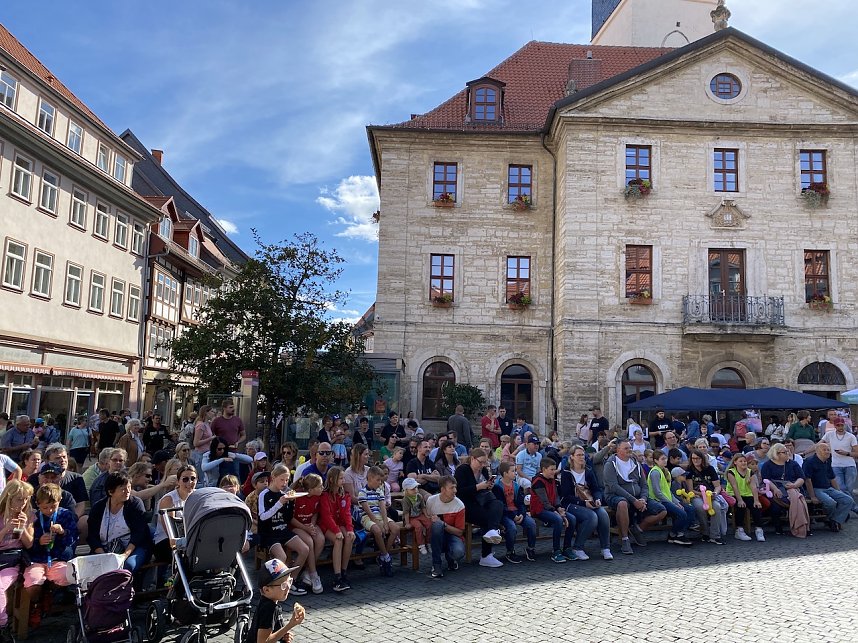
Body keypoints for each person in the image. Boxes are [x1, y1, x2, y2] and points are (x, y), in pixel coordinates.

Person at [23, 483, 78, 629]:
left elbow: (72, 539)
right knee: (32, 583)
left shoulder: (65, 515)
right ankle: (36, 604)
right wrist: (38, 541)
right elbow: (26, 544)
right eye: (45, 507)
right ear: (38, 504)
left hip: (57, 558)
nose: (49, 510)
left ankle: (49, 592)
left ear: (59, 501)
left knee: (67, 576)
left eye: (53, 506)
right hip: (37, 559)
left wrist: (63, 532)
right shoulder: (33, 517)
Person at [603, 440, 667, 555]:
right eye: (626, 448)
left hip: (638, 496)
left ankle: (637, 530)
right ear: (618, 450)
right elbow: (613, 486)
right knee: (622, 504)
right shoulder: (610, 464)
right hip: (616, 496)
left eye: (630, 447)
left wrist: (643, 499)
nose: (629, 450)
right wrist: (634, 500)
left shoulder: (635, 462)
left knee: (662, 511)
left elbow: (644, 484)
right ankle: (625, 539)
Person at [257, 464, 308, 597]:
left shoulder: (283, 493)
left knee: (304, 549)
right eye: (282, 480)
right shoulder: (265, 494)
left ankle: (291, 580)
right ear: (273, 478)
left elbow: (287, 518)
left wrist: (290, 502)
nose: (284, 483)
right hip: (269, 533)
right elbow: (263, 517)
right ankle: (278, 585)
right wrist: (280, 503)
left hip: (282, 529)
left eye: (287, 480)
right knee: (282, 557)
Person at [87, 471, 151, 573]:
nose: (127, 491)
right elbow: (92, 536)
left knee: (127, 566)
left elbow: (139, 533)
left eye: (129, 487)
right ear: (111, 491)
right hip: (104, 549)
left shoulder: (135, 504)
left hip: (132, 548)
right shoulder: (98, 508)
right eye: (123, 489)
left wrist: (124, 555)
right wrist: (103, 555)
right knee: (92, 566)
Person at [558, 445, 613, 560]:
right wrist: (584, 503)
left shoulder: (588, 470)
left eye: (583, 455)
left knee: (603, 514)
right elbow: (566, 496)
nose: (581, 457)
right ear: (572, 457)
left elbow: (596, 489)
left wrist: (597, 499)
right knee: (592, 517)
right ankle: (578, 547)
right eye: (578, 455)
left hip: (589, 501)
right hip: (571, 504)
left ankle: (605, 548)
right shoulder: (566, 472)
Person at [453, 448, 504, 568]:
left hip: (482, 500)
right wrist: (478, 487)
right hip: (466, 504)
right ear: (472, 459)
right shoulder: (462, 470)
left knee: (498, 504)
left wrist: (488, 486)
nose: (482, 465)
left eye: (484, 462)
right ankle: (486, 554)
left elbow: (484, 489)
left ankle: (493, 531)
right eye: (480, 462)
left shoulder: (484, 471)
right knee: (487, 518)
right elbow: (459, 491)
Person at [0, 480, 34, 640]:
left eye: (26, 499)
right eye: (19, 499)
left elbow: (29, 544)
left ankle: (3, 626)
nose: (23, 503)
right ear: (9, 498)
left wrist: (22, 528)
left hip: (12, 558)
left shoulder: (28, 515)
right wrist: (5, 529)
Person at [153, 463, 197, 573]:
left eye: (193, 478)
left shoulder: (198, 496)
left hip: (189, 539)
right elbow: (170, 530)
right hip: (166, 541)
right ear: (178, 481)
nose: (190, 482)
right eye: (185, 479)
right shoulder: (168, 500)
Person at [529, 457, 575, 563]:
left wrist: (559, 507)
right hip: (539, 510)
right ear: (544, 469)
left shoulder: (552, 479)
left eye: (555, 469)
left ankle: (567, 548)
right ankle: (556, 550)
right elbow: (544, 502)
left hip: (552, 508)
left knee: (572, 519)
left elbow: (556, 496)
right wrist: (558, 513)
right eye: (552, 469)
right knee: (558, 520)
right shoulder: (538, 481)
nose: (554, 472)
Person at [318, 466, 355, 592]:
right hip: (327, 525)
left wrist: (350, 529)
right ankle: (337, 576)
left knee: (349, 537)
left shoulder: (344, 494)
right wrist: (337, 531)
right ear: (333, 479)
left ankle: (344, 572)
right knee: (338, 540)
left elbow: (346, 513)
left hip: (339, 524)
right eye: (341, 478)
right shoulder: (324, 495)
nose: (343, 481)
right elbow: (326, 516)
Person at [357, 466, 400, 577]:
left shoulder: (379, 491)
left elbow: (383, 508)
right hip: (367, 517)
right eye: (378, 480)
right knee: (377, 530)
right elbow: (368, 512)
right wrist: (378, 523)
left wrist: (385, 522)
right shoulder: (362, 493)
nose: (380, 482)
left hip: (380, 515)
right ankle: (386, 556)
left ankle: (384, 554)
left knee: (395, 528)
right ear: (370, 478)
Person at [252, 559, 306, 643]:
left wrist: (283, 635)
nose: (288, 587)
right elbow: (263, 641)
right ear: (266, 590)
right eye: (283, 585)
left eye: (289, 581)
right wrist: (290, 625)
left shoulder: (269, 604)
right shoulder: (269, 609)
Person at [491, 461, 535, 564]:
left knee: (531, 524)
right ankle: (510, 551)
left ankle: (530, 548)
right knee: (512, 528)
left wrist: (521, 514)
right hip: (504, 514)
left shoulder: (516, 485)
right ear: (505, 473)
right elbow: (501, 505)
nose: (515, 473)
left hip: (516, 512)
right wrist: (513, 516)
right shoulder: (497, 486)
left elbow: (521, 502)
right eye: (513, 471)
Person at [646, 451, 694, 546]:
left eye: (665, 458)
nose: (665, 461)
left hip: (667, 499)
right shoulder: (655, 472)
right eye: (662, 459)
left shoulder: (665, 471)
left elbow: (667, 490)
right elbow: (657, 492)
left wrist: (676, 502)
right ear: (656, 460)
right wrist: (672, 503)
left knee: (690, 509)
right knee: (682, 513)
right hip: (658, 500)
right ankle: (676, 534)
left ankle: (677, 533)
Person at [760, 443, 809, 537]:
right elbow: (766, 479)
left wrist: (794, 485)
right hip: (774, 488)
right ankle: (778, 527)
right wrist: (775, 489)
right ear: (777, 454)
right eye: (785, 452)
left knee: (800, 502)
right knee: (775, 506)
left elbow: (801, 477)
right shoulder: (768, 465)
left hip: (793, 488)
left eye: (787, 451)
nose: (788, 453)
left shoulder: (793, 464)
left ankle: (803, 526)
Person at [803, 442, 852, 531]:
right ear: (817, 451)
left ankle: (835, 520)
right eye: (824, 450)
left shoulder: (827, 461)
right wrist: (812, 496)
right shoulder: (809, 462)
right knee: (831, 503)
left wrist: (839, 491)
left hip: (828, 488)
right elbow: (807, 480)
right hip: (816, 489)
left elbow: (832, 478)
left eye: (828, 450)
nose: (827, 452)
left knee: (848, 500)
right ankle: (829, 519)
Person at [290, 474, 325, 594]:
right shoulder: (297, 497)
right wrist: (305, 528)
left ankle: (307, 571)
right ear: (310, 490)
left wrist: (312, 524)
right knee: (309, 541)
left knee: (320, 539)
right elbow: (290, 518)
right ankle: (314, 574)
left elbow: (315, 513)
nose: (322, 488)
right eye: (320, 486)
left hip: (309, 524)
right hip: (296, 526)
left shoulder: (317, 497)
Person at [685, 449, 729, 545]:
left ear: (702, 459)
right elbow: (690, 489)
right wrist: (703, 494)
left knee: (716, 507)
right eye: (693, 458)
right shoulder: (689, 470)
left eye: (697, 458)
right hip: (697, 495)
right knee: (700, 507)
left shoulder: (710, 469)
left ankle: (715, 535)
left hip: (710, 495)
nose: (695, 460)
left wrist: (715, 493)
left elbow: (717, 486)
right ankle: (705, 532)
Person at [426, 476, 466, 578]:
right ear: (443, 489)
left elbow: (459, 532)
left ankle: (450, 558)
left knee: (459, 552)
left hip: (453, 535)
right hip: (436, 535)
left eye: (455, 487)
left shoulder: (459, 505)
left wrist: (443, 524)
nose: (455, 491)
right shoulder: (431, 501)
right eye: (451, 488)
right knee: (437, 526)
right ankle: (436, 564)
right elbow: (428, 522)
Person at [820, 417, 858, 512]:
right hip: (836, 465)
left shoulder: (851, 436)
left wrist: (847, 453)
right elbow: (819, 444)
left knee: (849, 489)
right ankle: (854, 508)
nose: (840, 427)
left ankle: (848, 508)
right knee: (841, 488)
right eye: (838, 425)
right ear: (835, 426)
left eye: (842, 425)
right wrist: (806, 452)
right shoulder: (829, 435)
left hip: (849, 465)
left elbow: (856, 453)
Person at [725, 453, 765, 541]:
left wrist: (756, 500)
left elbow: (753, 486)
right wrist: (739, 500)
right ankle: (739, 530)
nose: (743, 463)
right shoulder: (731, 472)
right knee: (740, 506)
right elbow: (734, 486)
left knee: (756, 507)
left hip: (747, 494)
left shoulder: (749, 472)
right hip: (734, 494)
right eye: (740, 461)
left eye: (744, 461)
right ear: (735, 462)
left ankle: (759, 529)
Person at [210, 400, 246, 477]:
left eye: (233, 407)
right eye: (230, 407)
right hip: (220, 452)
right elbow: (211, 436)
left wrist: (238, 442)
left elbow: (243, 435)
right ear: (224, 408)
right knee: (220, 474)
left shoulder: (237, 420)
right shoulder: (217, 421)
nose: (233, 409)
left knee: (235, 473)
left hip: (233, 451)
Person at [401, 477, 431, 556]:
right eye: (412, 489)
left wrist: (427, 515)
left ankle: (428, 541)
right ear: (406, 490)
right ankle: (421, 544)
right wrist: (407, 523)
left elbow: (423, 507)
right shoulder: (405, 499)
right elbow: (406, 512)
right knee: (418, 526)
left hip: (419, 514)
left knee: (429, 523)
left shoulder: (419, 496)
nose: (415, 490)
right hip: (410, 517)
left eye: (416, 488)